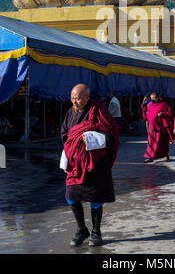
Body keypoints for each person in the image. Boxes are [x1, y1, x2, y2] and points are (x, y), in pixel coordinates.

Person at [61, 84, 119, 247]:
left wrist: (94, 138)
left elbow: (112, 134)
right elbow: (65, 134)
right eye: (72, 98)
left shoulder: (98, 111)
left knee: (95, 198)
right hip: (75, 163)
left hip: (95, 163)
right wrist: (72, 145)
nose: (75, 101)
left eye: (78, 98)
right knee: (70, 195)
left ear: (87, 97)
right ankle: (81, 229)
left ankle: (96, 232)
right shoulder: (70, 113)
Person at [144, 92, 174, 163]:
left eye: (154, 98)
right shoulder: (150, 106)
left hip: (161, 127)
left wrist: (163, 114)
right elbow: (149, 116)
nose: (152, 100)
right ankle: (150, 157)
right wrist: (153, 118)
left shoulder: (163, 105)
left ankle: (165, 154)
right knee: (151, 143)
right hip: (153, 127)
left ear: (158, 98)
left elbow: (170, 114)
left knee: (163, 142)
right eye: (151, 99)